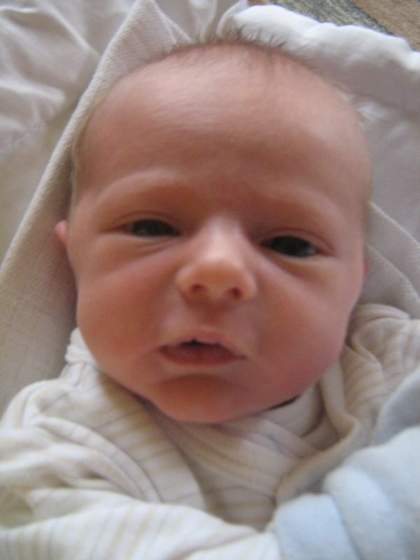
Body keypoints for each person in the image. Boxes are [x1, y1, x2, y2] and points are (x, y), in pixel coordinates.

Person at [0, 40, 419, 559]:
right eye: (151, 227)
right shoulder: (52, 460)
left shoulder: (382, 358)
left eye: (289, 245)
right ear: (74, 256)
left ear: (354, 282)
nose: (218, 271)